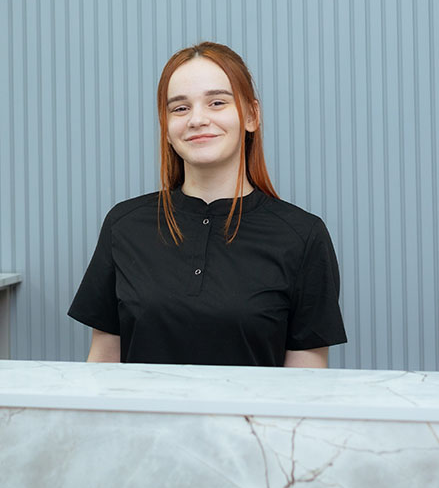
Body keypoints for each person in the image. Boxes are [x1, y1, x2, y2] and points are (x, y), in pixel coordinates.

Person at [67, 42, 347, 367]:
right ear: (166, 128)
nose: (197, 119)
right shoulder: (124, 225)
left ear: (252, 116)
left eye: (217, 102)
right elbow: (103, 364)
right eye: (180, 108)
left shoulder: (303, 236)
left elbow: (305, 382)